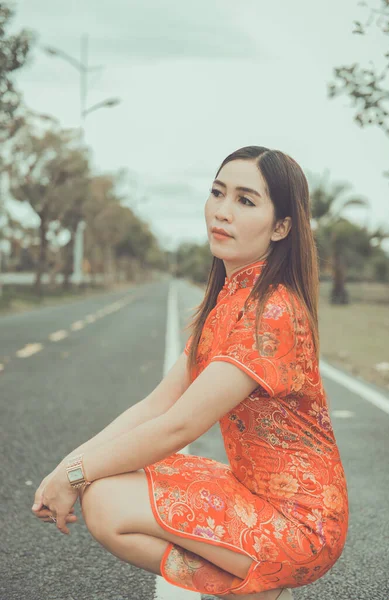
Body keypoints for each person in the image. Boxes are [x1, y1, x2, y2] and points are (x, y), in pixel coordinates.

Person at [31, 146, 349, 600]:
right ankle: (248, 587)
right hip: (254, 494)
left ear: (282, 227)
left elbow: (179, 425)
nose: (222, 211)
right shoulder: (229, 304)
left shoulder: (273, 312)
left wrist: (74, 476)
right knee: (105, 483)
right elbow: (156, 404)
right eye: (217, 193)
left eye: (245, 200)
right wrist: (66, 467)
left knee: (104, 499)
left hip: (299, 524)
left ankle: (251, 586)